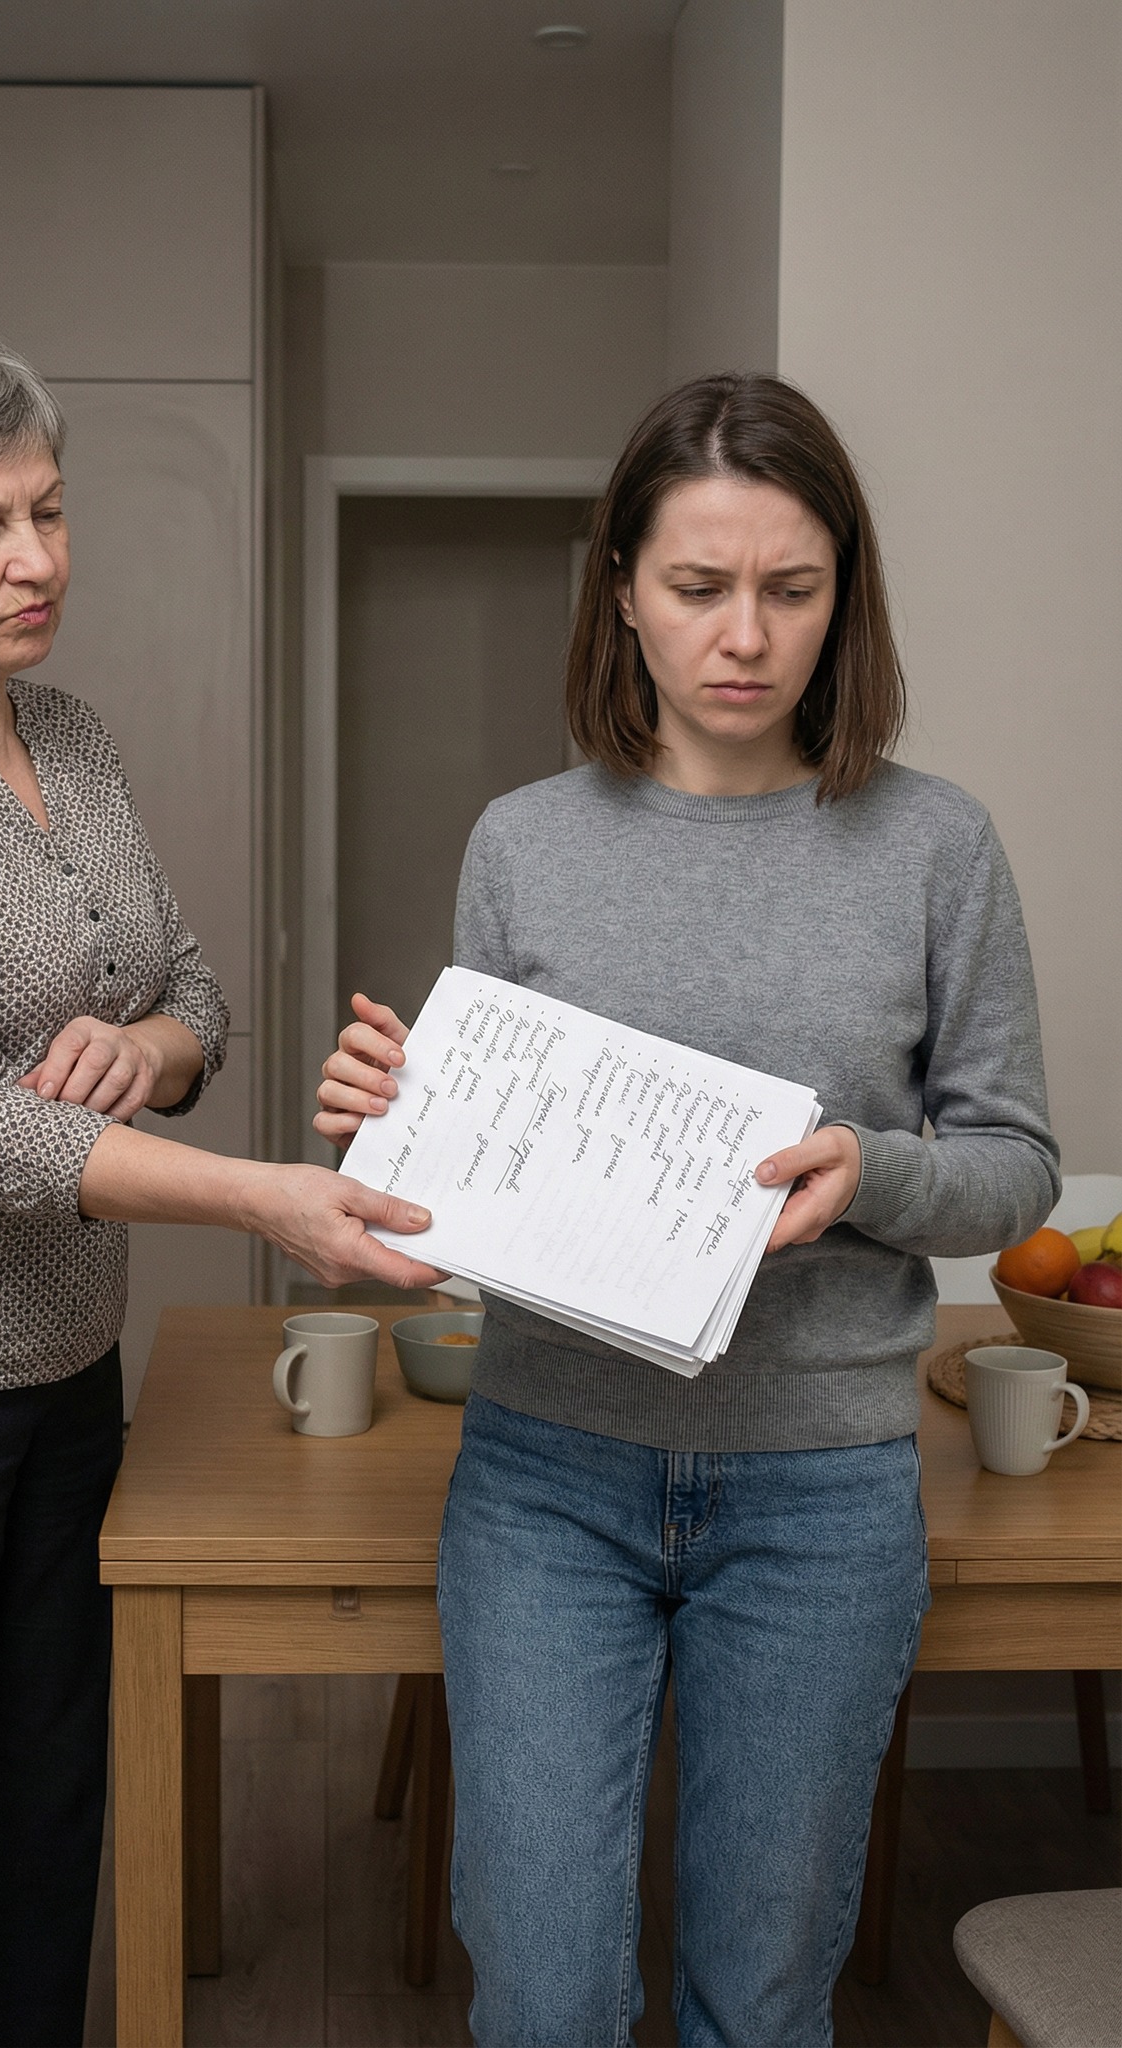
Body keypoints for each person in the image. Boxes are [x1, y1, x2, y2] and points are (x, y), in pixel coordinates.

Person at [316, 372, 1059, 2048]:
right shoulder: (522, 845)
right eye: (696, 588)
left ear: (842, 597)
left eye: (791, 592)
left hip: (818, 1496)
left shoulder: (936, 847)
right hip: (544, 1481)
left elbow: (1012, 1164)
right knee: (548, 1994)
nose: (745, 637)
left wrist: (874, 1170)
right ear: (620, 590)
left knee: (759, 1998)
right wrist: (393, 1133)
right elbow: (459, 1208)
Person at [0, 315, 436, 2048]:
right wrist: (268, 1200)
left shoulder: (75, 735)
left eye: (47, 510)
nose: (35, 560)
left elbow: (190, 986)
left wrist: (157, 1054)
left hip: (57, 1365)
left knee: (43, 1825)